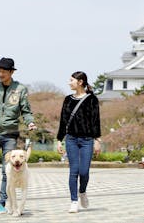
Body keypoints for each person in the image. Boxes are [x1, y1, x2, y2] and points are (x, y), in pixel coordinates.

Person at [0, 57, 37, 214]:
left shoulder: (20, 89)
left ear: (11, 72)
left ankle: (2, 202)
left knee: (7, 169)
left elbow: (26, 110)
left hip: (10, 134)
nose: (0, 73)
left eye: (4, 71)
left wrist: (30, 122)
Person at [56, 71, 101, 213]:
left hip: (87, 140)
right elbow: (63, 121)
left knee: (84, 171)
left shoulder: (92, 99)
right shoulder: (67, 99)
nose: (69, 83)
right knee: (74, 171)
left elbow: (96, 121)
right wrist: (59, 140)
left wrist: (97, 140)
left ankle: (82, 192)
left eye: (71, 80)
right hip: (71, 139)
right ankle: (74, 201)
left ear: (80, 82)